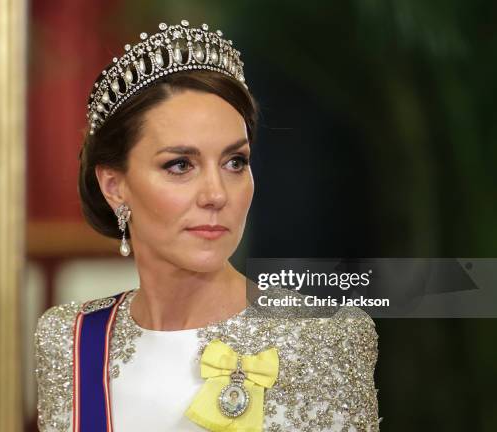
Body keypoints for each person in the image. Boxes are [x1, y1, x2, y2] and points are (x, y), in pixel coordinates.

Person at [34, 19, 380, 432]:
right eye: (180, 165)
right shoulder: (70, 339)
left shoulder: (327, 339)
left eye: (235, 162)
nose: (217, 194)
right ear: (114, 186)